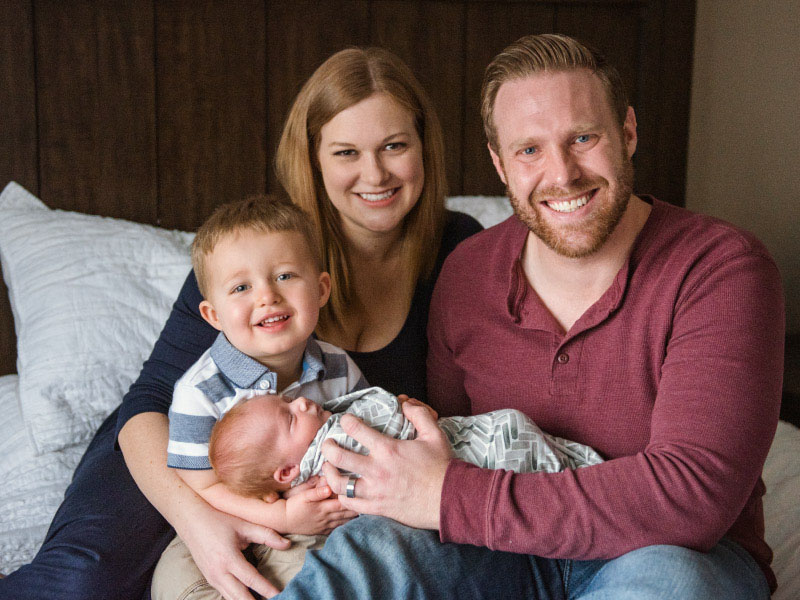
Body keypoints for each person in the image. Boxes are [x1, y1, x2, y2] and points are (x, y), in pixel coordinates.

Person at [267, 34, 784, 599]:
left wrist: (446, 495)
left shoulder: (720, 268)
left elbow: (691, 496)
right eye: (529, 150)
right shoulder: (467, 272)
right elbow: (452, 437)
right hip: (503, 553)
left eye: (583, 138)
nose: (562, 174)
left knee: (671, 585)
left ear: (628, 132)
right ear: (499, 163)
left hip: (669, 553)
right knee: (379, 548)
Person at [0, 46, 481, 600]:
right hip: (184, 453)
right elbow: (148, 403)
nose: (374, 174)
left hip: (321, 488)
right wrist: (198, 520)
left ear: (425, 146)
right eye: (346, 152)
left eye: (395, 146)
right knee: (82, 584)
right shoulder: (257, 250)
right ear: (314, 160)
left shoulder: (461, 248)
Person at [151, 195, 367, 600]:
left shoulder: (338, 368)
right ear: (213, 315)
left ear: (321, 289)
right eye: (241, 287)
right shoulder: (201, 393)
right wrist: (282, 515)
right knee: (176, 583)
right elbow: (204, 489)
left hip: (325, 520)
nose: (267, 296)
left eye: (285, 276)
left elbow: (367, 433)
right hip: (226, 520)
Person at [197, 385, 602, 594]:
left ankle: (585, 485)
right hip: (467, 483)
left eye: (289, 400)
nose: (302, 402)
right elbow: (382, 412)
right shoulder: (331, 445)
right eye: (289, 417)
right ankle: (582, 480)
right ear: (286, 472)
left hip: (454, 471)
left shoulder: (311, 462)